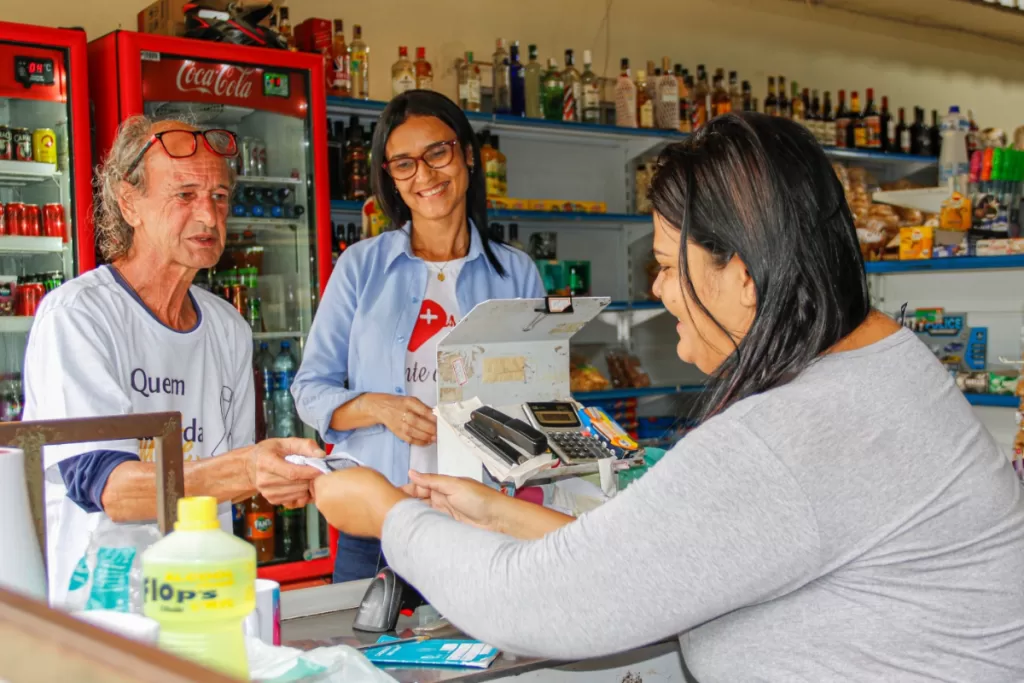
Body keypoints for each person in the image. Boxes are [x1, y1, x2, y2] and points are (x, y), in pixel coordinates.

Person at [310, 113, 1024, 681]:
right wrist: (495, 511)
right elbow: (654, 557)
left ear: (742, 274)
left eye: (664, 265)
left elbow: (548, 602)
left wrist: (390, 513)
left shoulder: (786, 434)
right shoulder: (885, 365)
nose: (656, 291)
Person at [22, 116, 324, 604]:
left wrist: (285, 478)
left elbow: (232, 475)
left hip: (206, 597)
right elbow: (109, 488)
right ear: (128, 202)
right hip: (105, 611)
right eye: (185, 195)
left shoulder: (228, 328)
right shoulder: (80, 316)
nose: (208, 216)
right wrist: (248, 471)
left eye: (220, 196)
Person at [292, 90, 544, 583]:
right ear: (389, 175)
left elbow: (538, 399)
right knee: (370, 660)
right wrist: (375, 406)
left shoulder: (516, 274)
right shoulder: (361, 268)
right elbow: (309, 388)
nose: (425, 176)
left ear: (467, 154)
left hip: (482, 523)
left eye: (437, 153)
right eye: (403, 164)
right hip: (381, 525)